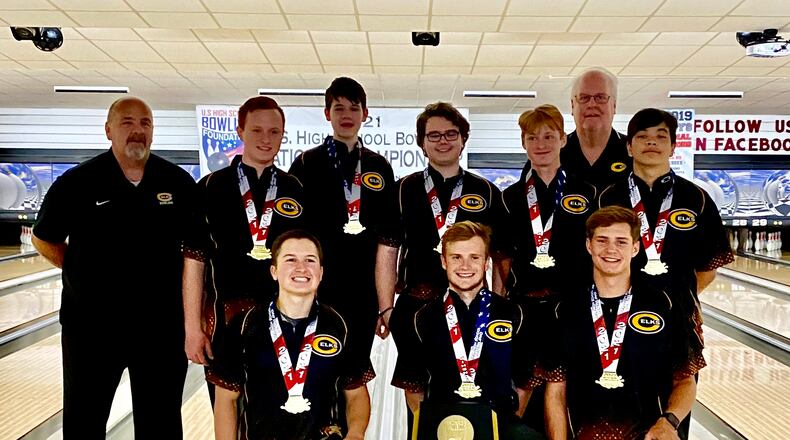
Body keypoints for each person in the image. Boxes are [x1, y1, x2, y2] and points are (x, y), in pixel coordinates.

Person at [32, 97, 196, 438]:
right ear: (108, 130)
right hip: (91, 328)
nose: (137, 130)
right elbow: (44, 237)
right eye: (127, 122)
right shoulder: (77, 182)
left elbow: (195, 253)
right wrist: (78, 269)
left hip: (161, 329)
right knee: (84, 420)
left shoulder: (177, 182)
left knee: (161, 423)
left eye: (145, 123)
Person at [182, 96, 308, 399]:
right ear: (240, 131)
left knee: (277, 414)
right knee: (227, 415)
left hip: (285, 320)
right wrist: (192, 328)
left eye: (274, 132)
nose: (266, 139)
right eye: (256, 131)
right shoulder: (210, 188)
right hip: (225, 323)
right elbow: (194, 262)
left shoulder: (295, 189)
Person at [543, 206, 704, 440]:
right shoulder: (563, 309)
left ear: (635, 247)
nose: (611, 249)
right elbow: (556, 391)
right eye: (602, 240)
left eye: (621, 242)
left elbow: (685, 380)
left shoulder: (665, 305)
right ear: (589, 245)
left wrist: (669, 421)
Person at [212, 230, 374, 440]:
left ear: (321, 272)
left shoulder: (341, 326)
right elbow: (226, 400)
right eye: (290, 259)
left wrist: (356, 433)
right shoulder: (243, 326)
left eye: (310, 260)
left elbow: (356, 394)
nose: (301, 268)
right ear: (274, 271)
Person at [394, 221, 542, 440]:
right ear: (444, 261)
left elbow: (525, 383)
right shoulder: (420, 318)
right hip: (443, 427)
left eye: (474, 257)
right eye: (456, 257)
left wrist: (495, 426)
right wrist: (436, 424)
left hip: (500, 426)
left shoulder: (514, 314)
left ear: (486, 263)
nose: (465, 266)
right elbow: (413, 388)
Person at [501, 104, 597, 432]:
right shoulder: (511, 197)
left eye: (549, 136)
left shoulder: (587, 193)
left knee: (562, 387)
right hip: (523, 308)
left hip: (572, 306)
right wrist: (502, 300)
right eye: (532, 137)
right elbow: (501, 258)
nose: (541, 144)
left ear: (563, 140)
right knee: (519, 387)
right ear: (523, 143)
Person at [289, 77, 398, 361]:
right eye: (339, 108)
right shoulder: (305, 164)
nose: (346, 115)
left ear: (365, 113)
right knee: (315, 370)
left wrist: (383, 303)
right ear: (327, 114)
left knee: (355, 369)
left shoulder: (379, 166)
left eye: (354, 107)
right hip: (317, 286)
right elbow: (292, 234)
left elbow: (388, 239)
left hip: (363, 291)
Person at [598, 108, 734, 335]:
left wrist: (679, 300)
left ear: (673, 147)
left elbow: (708, 268)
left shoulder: (696, 198)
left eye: (661, 136)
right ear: (629, 147)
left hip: (678, 319)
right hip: (617, 317)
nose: (652, 142)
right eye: (642, 136)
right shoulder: (608, 197)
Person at [560, 68, 631, 191]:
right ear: (572, 105)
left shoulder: (635, 153)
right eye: (584, 98)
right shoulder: (552, 153)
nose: (592, 104)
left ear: (614, 105)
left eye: (600, 97)